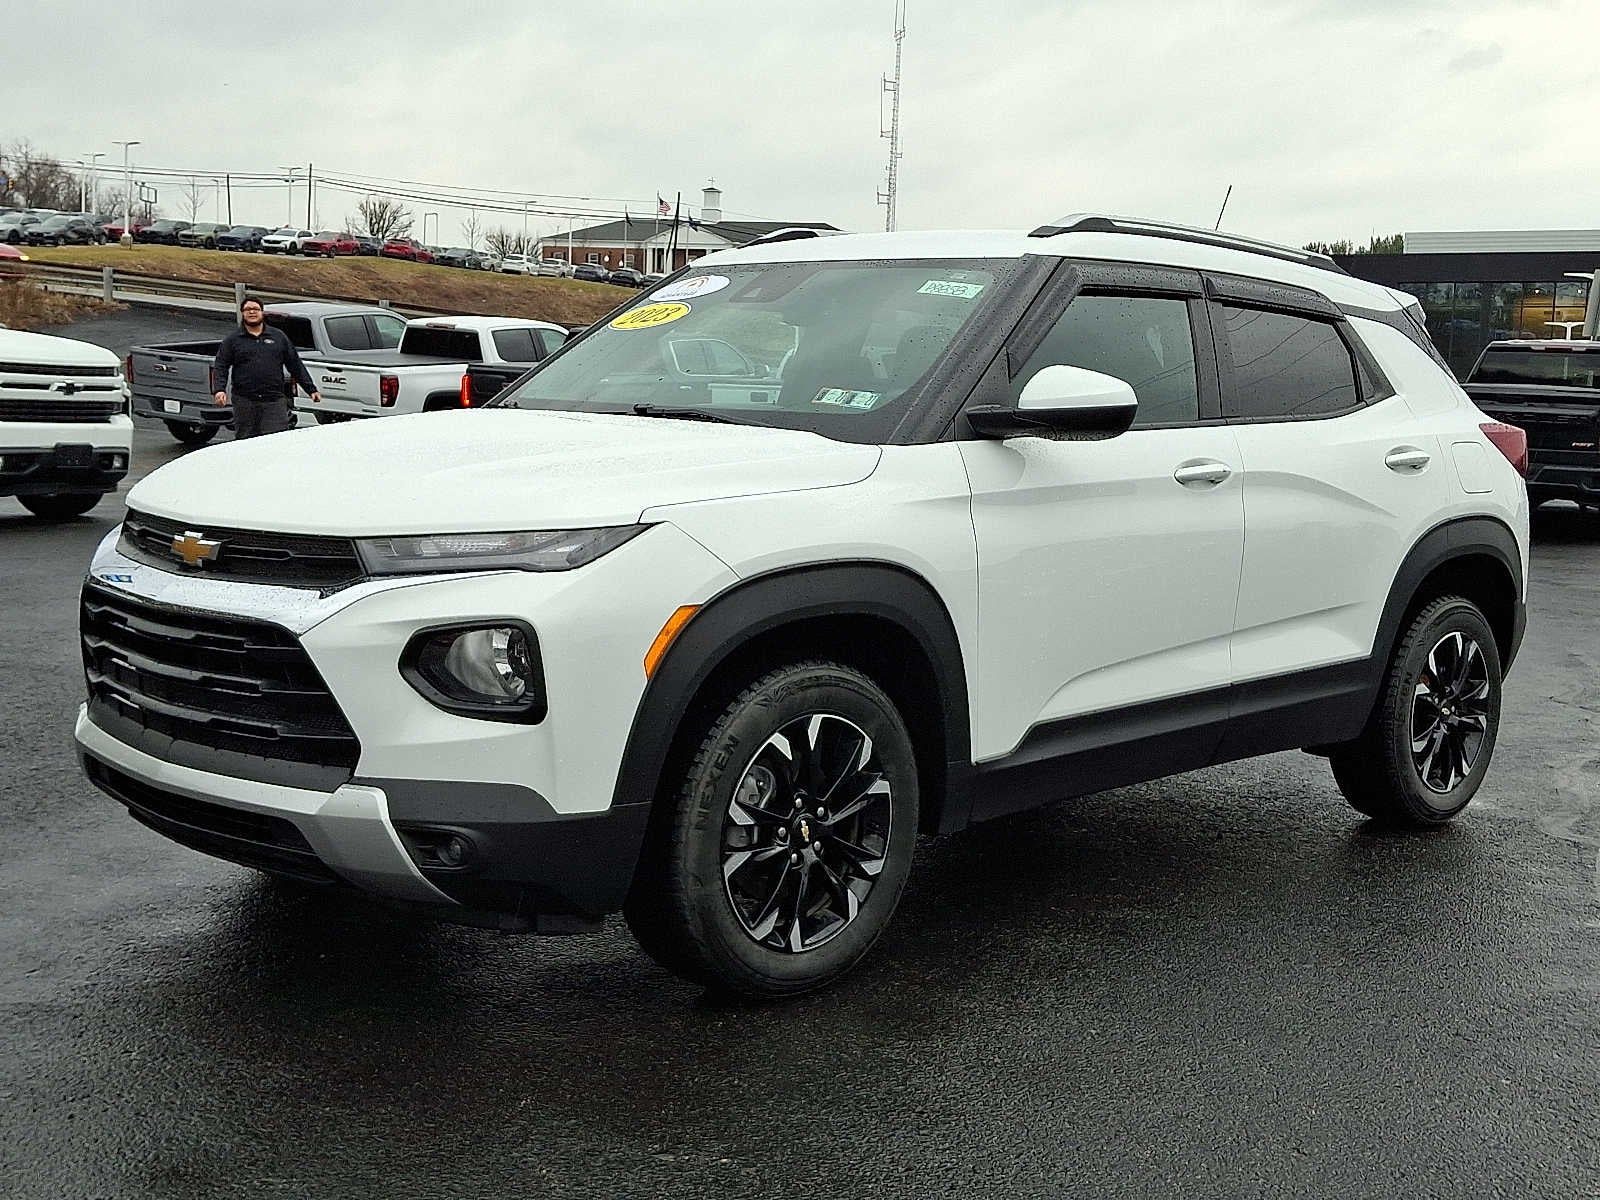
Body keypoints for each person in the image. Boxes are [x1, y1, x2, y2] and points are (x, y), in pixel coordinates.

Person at [210, 296, 320, 439]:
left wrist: (311, 389)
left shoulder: (278, 337)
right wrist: (219, 390)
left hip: (274, 400)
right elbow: (221, 365)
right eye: (247, 309)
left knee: (275, 440)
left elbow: (295, 364)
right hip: (245, 401)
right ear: (242, 313)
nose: (252, 312)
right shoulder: (233, 340)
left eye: (255, 309)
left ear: (262, 312)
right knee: (246, 441)